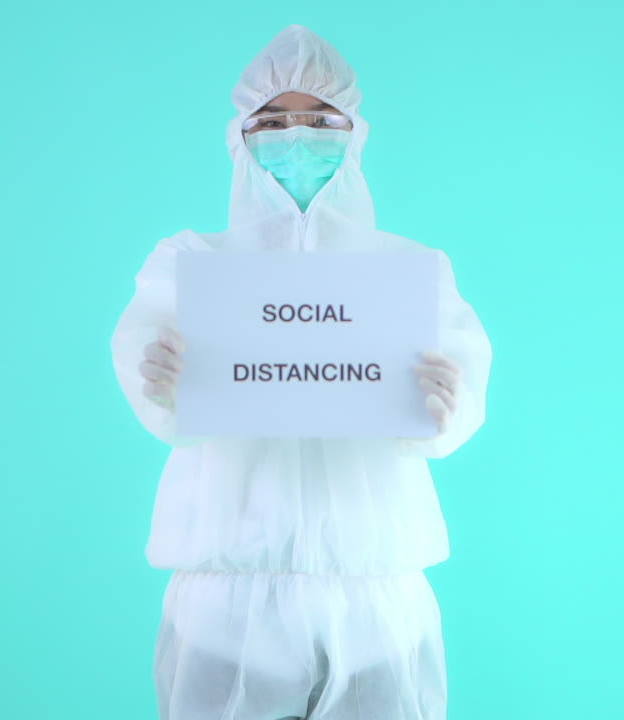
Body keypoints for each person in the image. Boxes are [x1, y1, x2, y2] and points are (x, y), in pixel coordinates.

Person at [109, 24, 492, 720]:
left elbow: (461, 393)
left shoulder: (411, 275)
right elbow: (151, 384)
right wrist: (162, 387)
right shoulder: (191, 268)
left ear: (355, 132)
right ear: (241, 136)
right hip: (228, 601)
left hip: (377, 594)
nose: (297, 136)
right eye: (275, 120)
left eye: (319, 119)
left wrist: (446, 407)